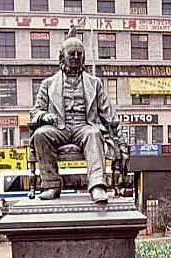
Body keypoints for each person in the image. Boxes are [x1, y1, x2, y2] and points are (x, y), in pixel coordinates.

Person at [31, 35, 119, 204]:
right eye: (72, 54)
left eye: (79, 54)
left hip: (84, 126)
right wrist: (44, 116)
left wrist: (120, 140)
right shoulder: (48, 84)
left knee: (94, 134)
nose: (76, 58)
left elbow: (109, 114)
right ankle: (51, 185)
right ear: (62, 55)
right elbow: (35, 112)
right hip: (59, 128)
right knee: (41, 134)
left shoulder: (95, 83)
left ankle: (97, 186)